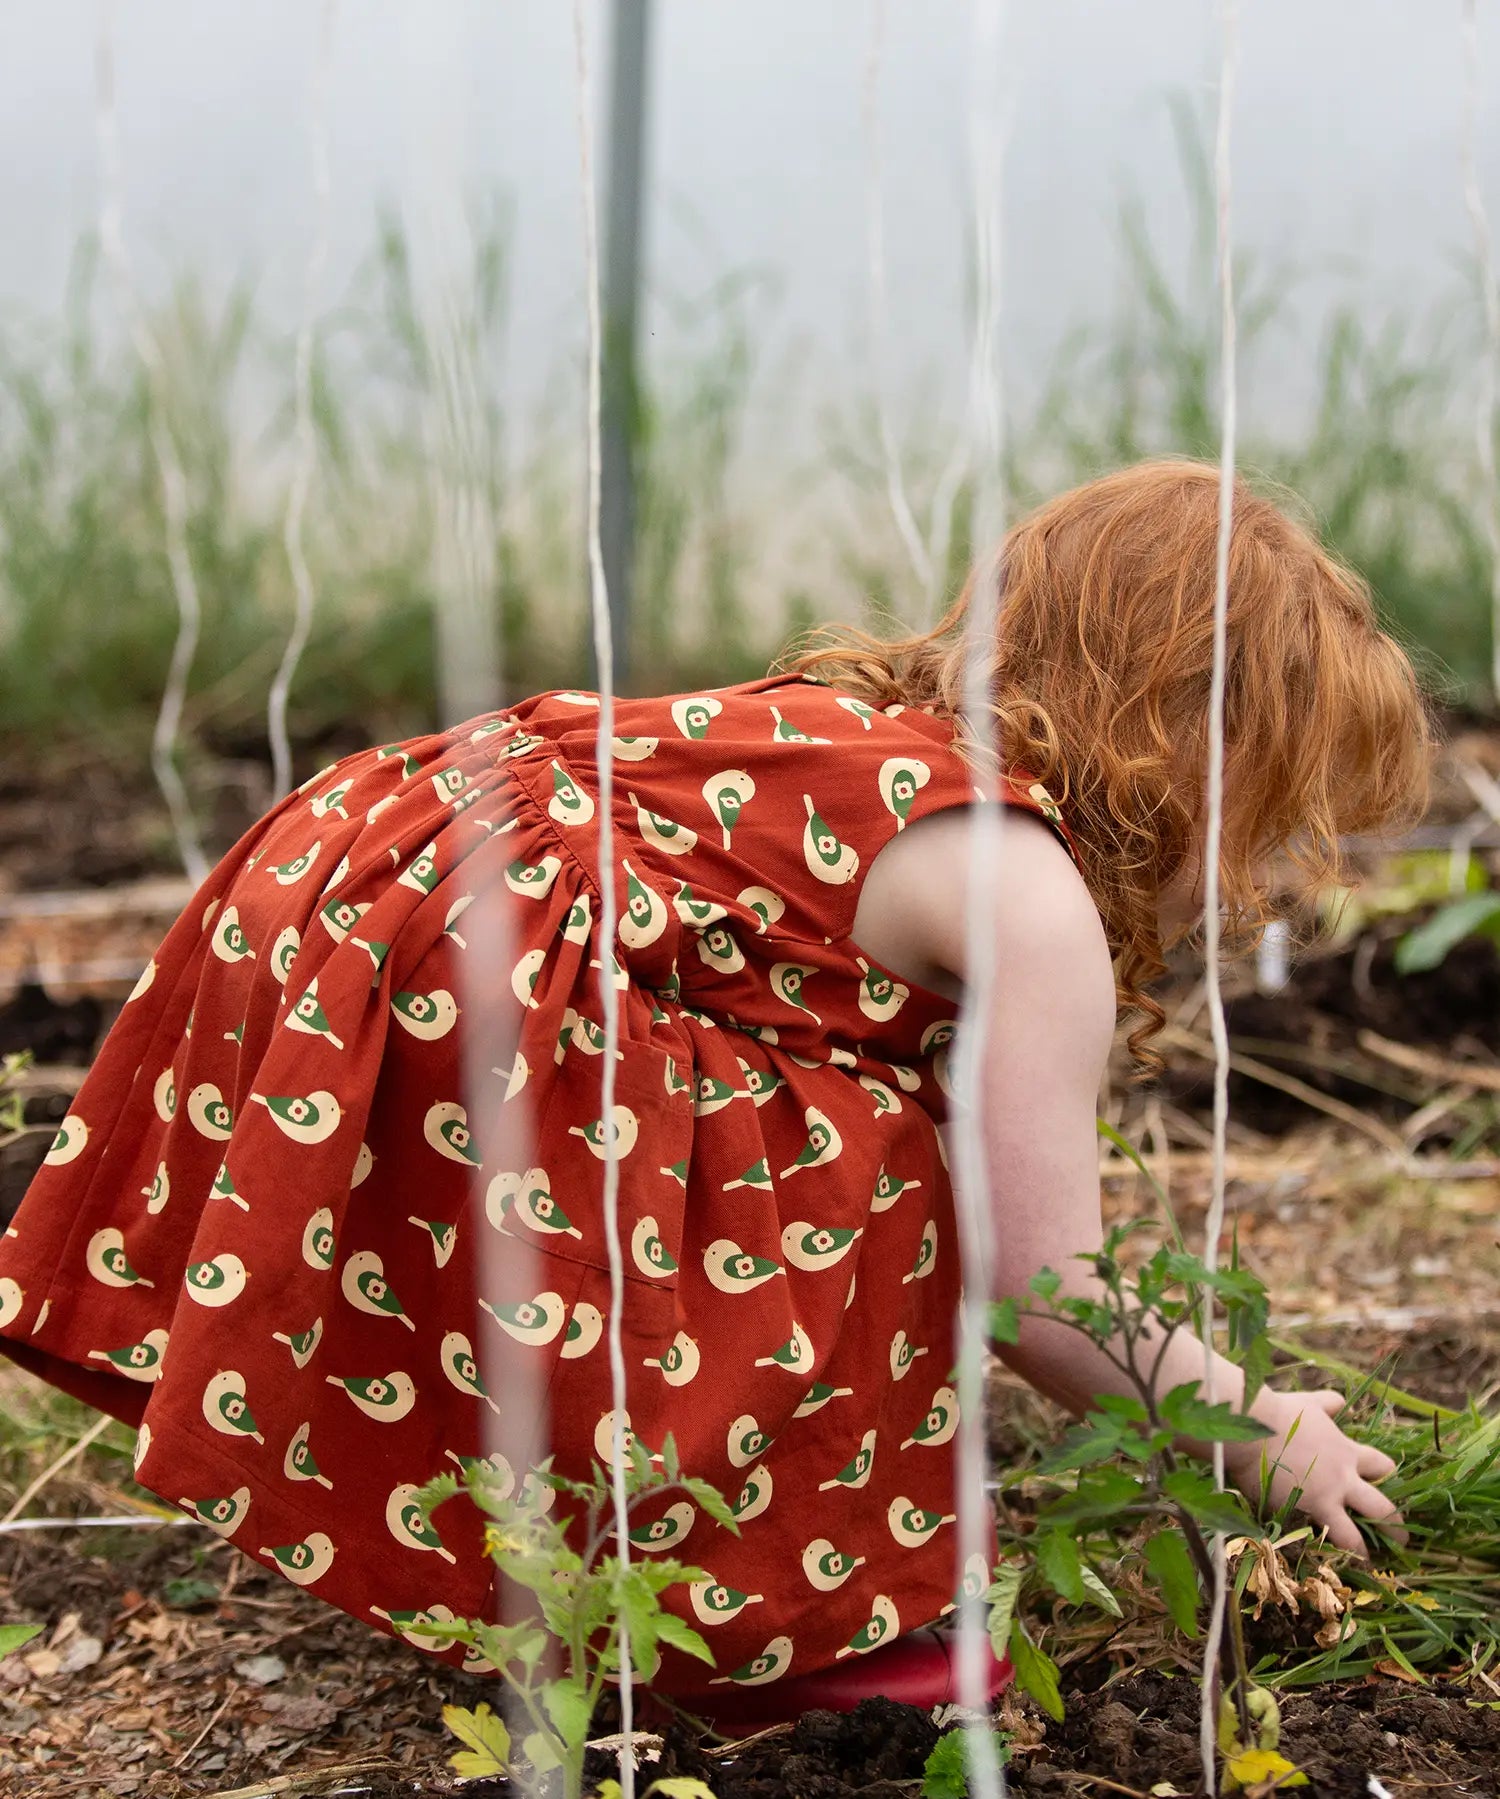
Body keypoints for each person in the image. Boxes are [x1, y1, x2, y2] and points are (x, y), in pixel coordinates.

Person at [0, 459, 1432, 1723]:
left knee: (814, 1104)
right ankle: (746, 1629)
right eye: (1277, 820)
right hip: (476, 964)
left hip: (355, 871)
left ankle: (516, 1554)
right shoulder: (1032, 898)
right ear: (1200, 750)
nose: (1256, 884)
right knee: (896, 1165)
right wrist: (1256, 1422)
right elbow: (1040, 1292)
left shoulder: (863, 733)